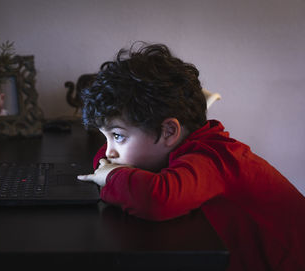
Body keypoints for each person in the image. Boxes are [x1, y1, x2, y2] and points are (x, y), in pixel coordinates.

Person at [77, 42, 305, 270]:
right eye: (105, 137)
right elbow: (105, 162)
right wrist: (109, 169)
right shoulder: (181, 147)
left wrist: (111, 177)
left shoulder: (213, 156)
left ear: (169, 131)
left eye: (118, 136)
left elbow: (157, 199)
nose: (108, 151)